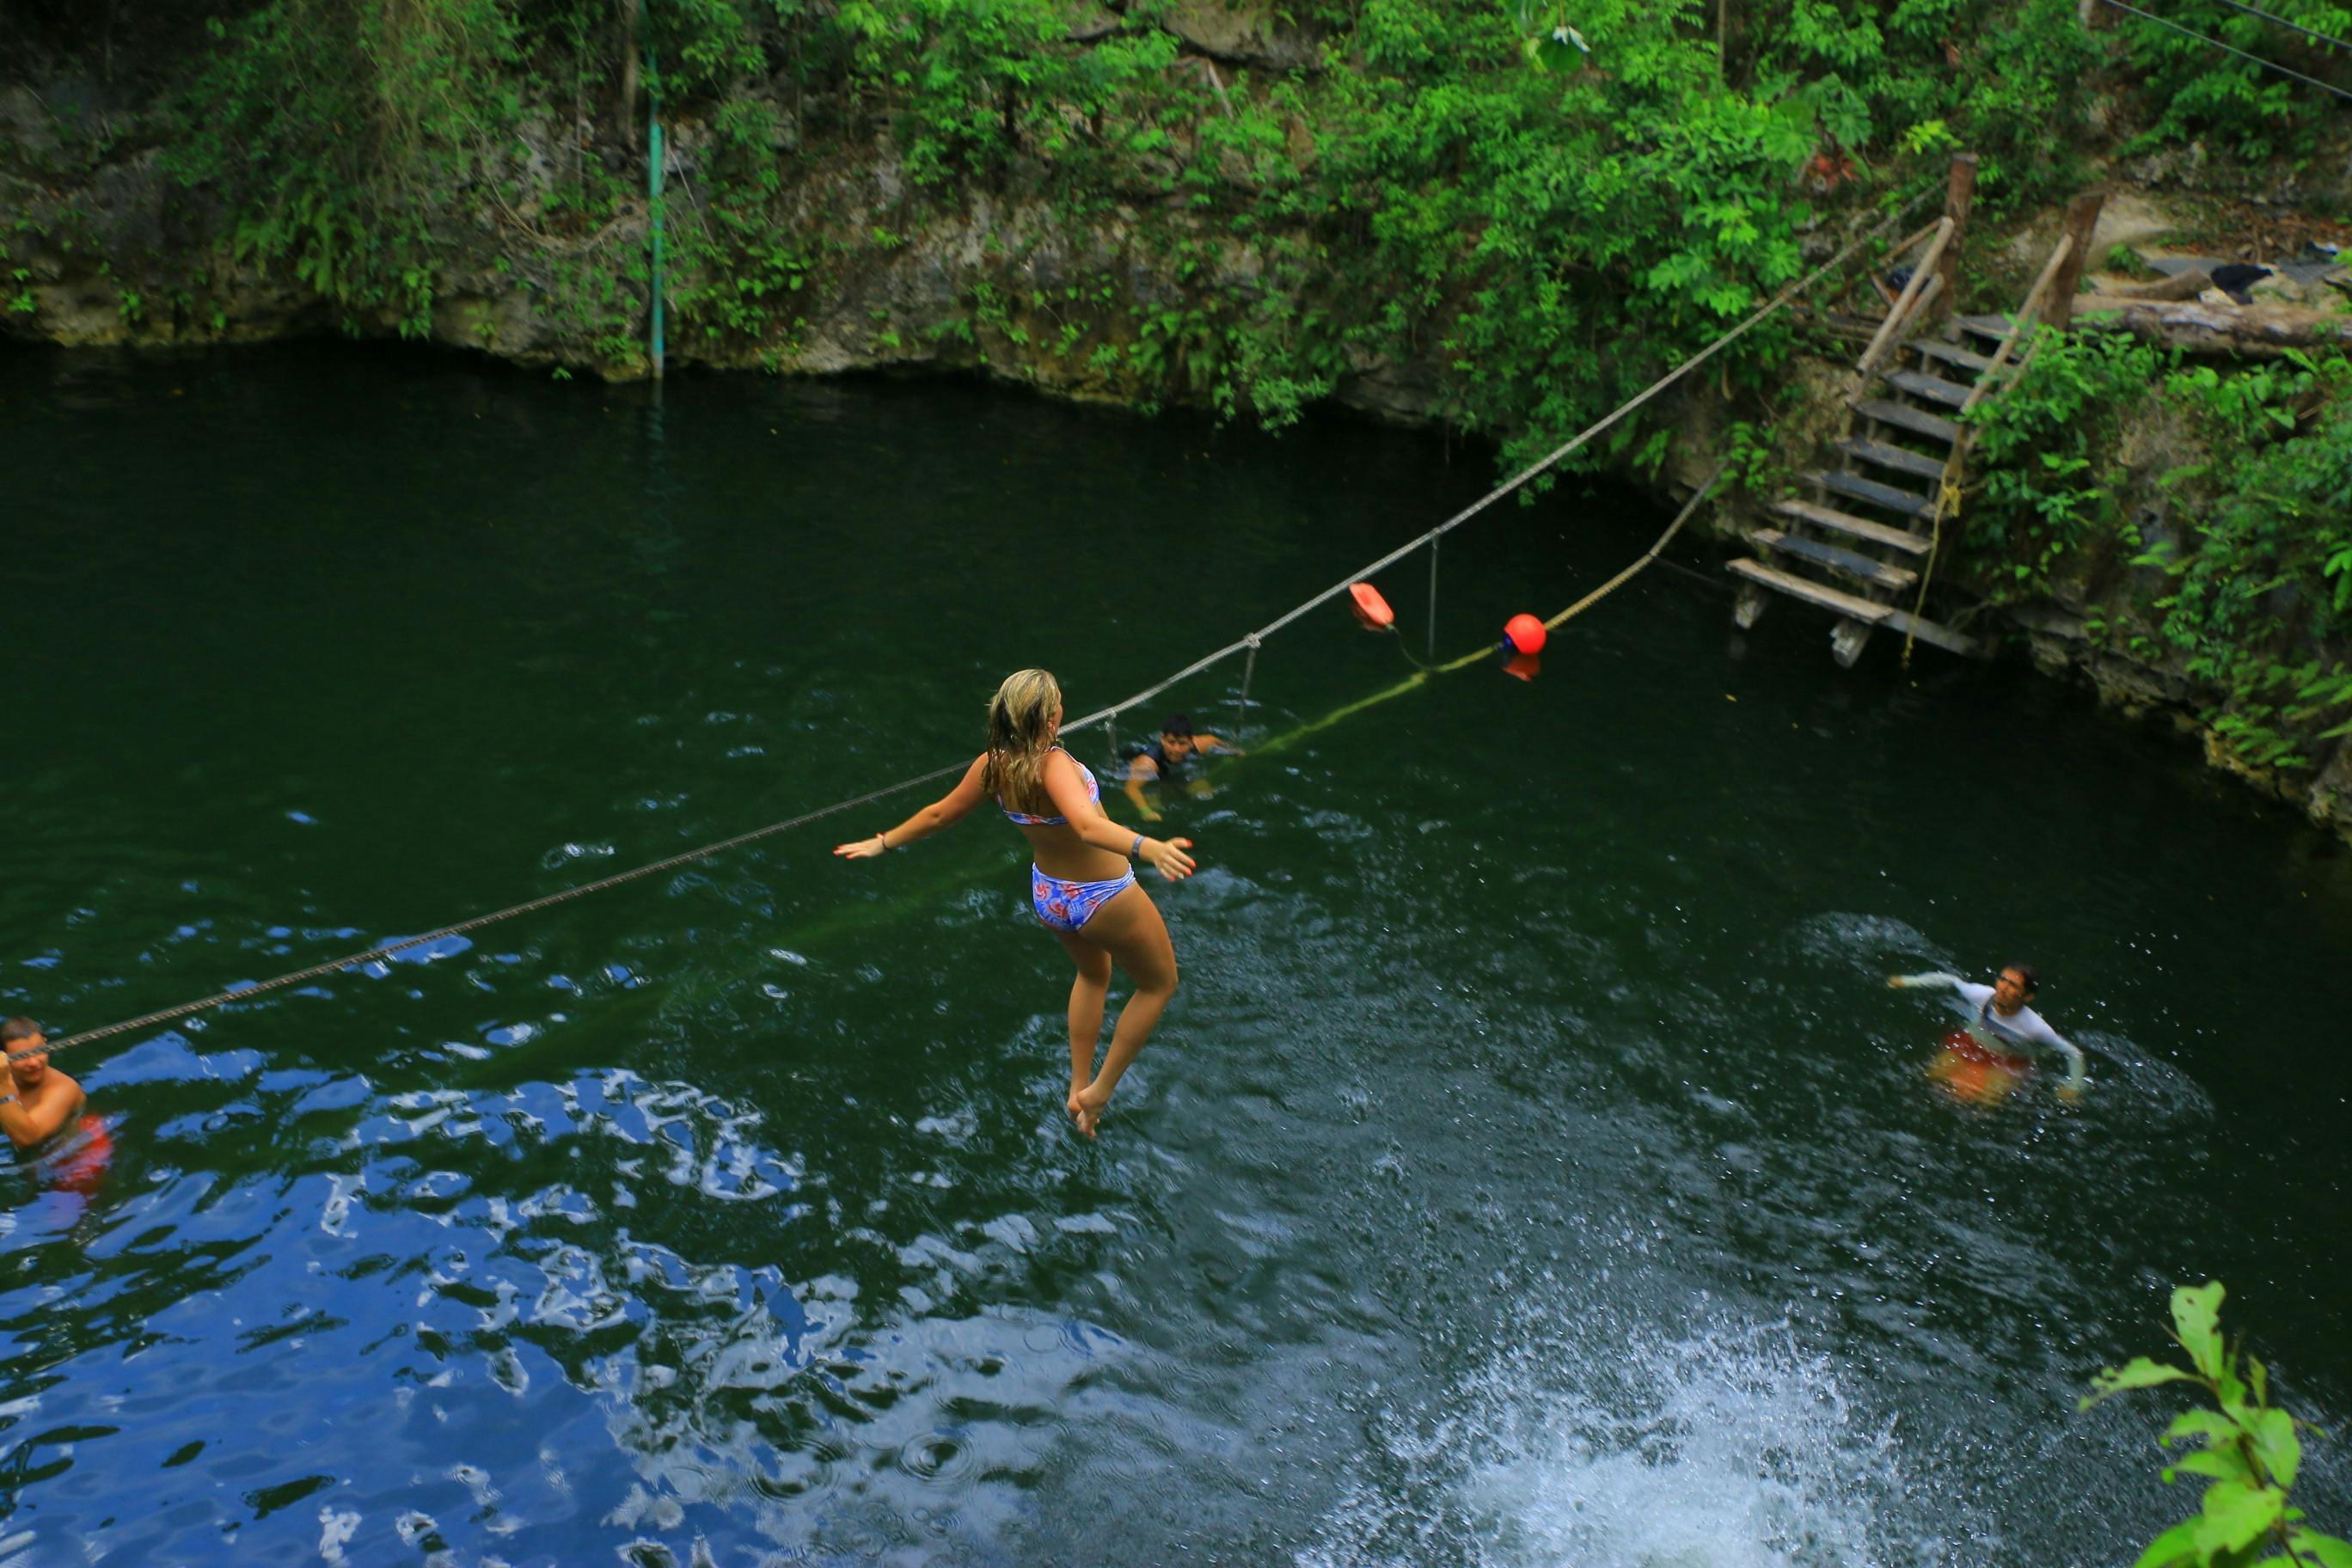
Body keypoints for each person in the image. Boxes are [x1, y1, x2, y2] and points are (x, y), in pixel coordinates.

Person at [836, 670, 1197, 1138]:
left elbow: (941, 813)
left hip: (1050, 895)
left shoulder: (993, 765)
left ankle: (1077, 1085)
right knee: (1159, 984)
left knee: (1093, 974)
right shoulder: (1054, 765)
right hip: (1103, 896)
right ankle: (1101, 1090)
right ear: (1049, 719)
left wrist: (884, 842)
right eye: (1060, 703)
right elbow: (1087, 826)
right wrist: (1148, 847)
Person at [1888, 964, 2086, 1102]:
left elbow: (2073, 1053)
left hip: (2006, 1061)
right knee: (1930, 1077)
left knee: (1987, 1102)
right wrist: (1908, 981)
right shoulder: (1981, 995)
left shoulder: (2035, 1027)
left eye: (2013, 985)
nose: (2003, 988)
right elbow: (1951, 980)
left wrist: (2073, 1087)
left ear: (2028, 996)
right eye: (2002, 980)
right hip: (1970, 1044)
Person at [1121, 714, 1241, 823]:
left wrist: (1235, 752)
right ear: (1163, 739)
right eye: (1171, 742)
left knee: (1206, 793)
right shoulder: (1148, 763)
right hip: (1155, 777)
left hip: (1177, 772)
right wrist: (1145, 811)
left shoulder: (1201, 744)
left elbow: (1216, 741)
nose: (1176, 749)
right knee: (1158, 806)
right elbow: (1131, 788)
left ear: (1191, 741)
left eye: (1182, 743)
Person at [0, 1018, 88, 1150]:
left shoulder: (65, 1088)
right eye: (21, 1056)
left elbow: (28, 1139)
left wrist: (3, 1087)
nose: (34, 1062)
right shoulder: (5, 1076)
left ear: (46, 1043)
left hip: (80, 1158)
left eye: (39, 1050)